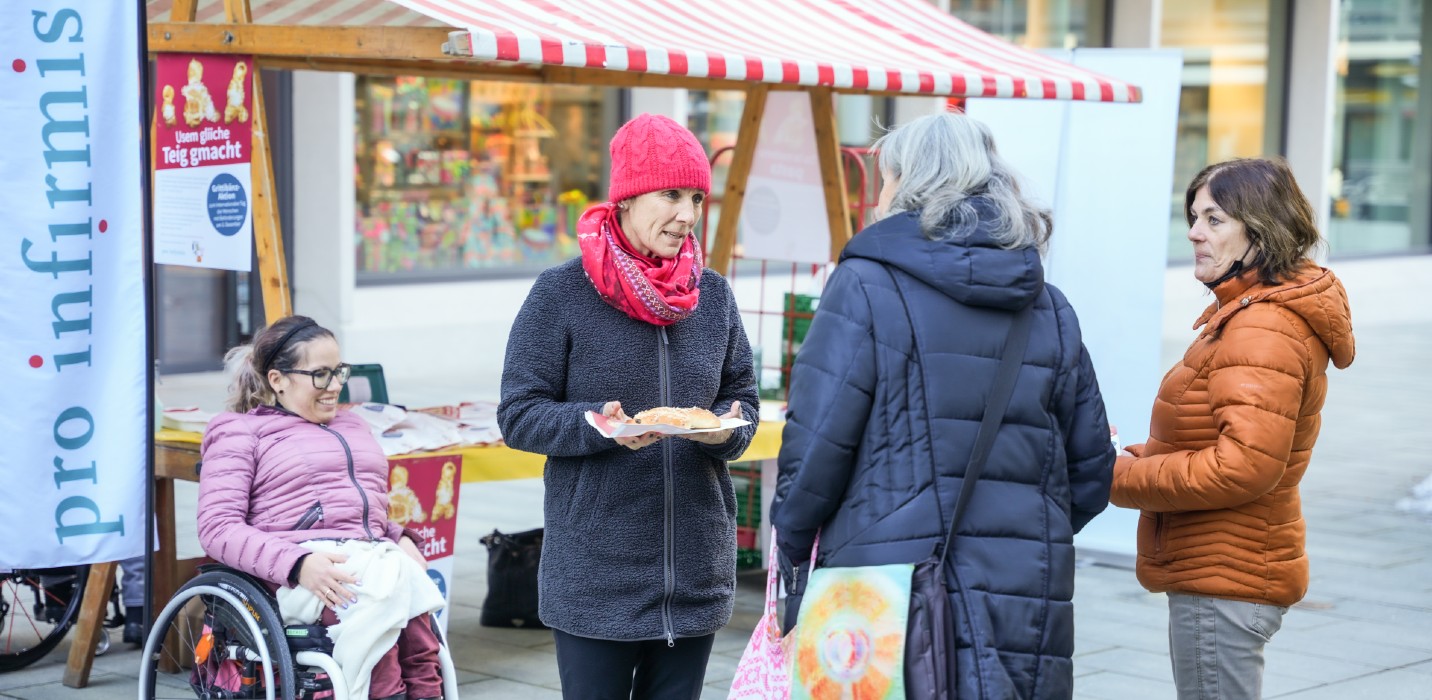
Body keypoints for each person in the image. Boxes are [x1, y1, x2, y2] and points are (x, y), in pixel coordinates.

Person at [770, 111, 1116, 699]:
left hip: (887, 584)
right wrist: (1028, 530)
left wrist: (794, 542)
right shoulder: (1049, 306)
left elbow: (817, 443)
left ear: (909, 184)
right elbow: (1091, 472)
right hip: (1025, 588)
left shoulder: (865, 285)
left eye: (886, 179)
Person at [497, 113, 760, 699]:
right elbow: (518, 414)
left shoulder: (712, 295)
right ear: (626, 197)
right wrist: (597, 426)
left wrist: (722, 432)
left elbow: (742, 399)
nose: (687, 215)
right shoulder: (560, 294)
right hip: (596, 578)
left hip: (693, 573)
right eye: (671, 194)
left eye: (696, 197)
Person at [1110, 157, 1355, 699]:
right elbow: (1217, 442)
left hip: (1225, 576)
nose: (1195, 232)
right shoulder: (1248, 314)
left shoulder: (1261, 327)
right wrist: (1123, 457)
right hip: (1225, 567)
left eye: (1215, 219)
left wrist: (1118, 477)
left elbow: (1242, 466)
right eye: (1194, 216)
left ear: (1261, 229)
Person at [198, 315, 446, 700]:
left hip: (367, 558)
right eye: (320, 375)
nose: (334, 387)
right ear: (277, 380)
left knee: (422, 645)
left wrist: (399, 537)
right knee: (381, 644)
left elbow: (359, 507)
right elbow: (217, 528)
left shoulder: (353, 426)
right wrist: (297, 563)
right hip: (295, 570)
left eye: (339, 372)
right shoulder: (239, 431)